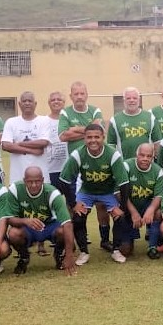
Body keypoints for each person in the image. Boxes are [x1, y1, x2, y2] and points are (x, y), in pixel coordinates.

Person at [58, 123, 128, 266]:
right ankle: (84, 252)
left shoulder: (113, 154)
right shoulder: (78, 154)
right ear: (84, 138)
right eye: (89, 137)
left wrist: (123, 207)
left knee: (120, 217)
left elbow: (124, 184)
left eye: (97, 137)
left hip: (107, 192)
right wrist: (74, 204)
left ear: (103, 137)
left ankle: (116, 250)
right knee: (77, 217)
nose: (93, 140)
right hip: (87, 192)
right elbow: (64, 181)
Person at [58, 81, 110, 250]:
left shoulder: (95, 110)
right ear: (71, 96)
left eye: (82, 93)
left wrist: (76, 129)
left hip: (96, 164)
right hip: (76, 166)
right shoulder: (65, 112)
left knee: (101, 204)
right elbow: (63, 136)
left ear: (87, 94)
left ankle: (104, 240)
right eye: (76, 94)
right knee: (75, 206)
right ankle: (78, 240)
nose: (79, 97)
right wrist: (89, 129)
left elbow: (100, 130)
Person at [3, 166, 77, 275]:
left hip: (50, 226)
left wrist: (69, 255)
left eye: (37, 181)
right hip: (28, 228)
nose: (34, 185)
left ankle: (59, 255)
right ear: (24, 181)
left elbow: (68, 224)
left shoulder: (52, 193)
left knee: (63, 232)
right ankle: (24, 258)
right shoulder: (15, 190)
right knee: (13, 233)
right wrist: (26, 221)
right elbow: (9, 218)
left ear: (42, 180)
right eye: (30, 182)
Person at [120, 143, 163, 260]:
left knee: (158, 212)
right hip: (128, 205)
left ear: (153, 157)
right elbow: (119, 193)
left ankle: (153, 246)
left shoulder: (158, 170)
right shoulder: (126, 166)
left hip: (146, 204)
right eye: (142, 155)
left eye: (149, 156)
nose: (145, 159)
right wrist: (134, 212)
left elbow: (158, 196)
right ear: (136, 155)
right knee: (125, 251)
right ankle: (127, 239)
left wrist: (150, 210)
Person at [1, 91, 51, 184]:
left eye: (30, 101)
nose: (27, 103)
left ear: (35, 104)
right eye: (24, 101)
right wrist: (33, 151)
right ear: (19, 104)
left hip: (41, 178)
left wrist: (19, 144)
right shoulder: (11, 122)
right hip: (18, 177)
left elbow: (43, 142)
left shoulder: (44, 121)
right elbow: (6, 145)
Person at [44, 91, 69, 255]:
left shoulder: (67, 119)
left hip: (67, 168)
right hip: (49, 168)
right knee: (49, 204)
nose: (56, 102)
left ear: (64, 102)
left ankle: (70, 233)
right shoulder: (43, 121)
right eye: (53, 99)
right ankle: (49, 237)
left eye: (59, 99)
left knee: (70, 204)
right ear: (48, 102)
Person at [108, 86, 161, 159]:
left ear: (139, 100)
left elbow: (157, 143)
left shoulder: (150, 117)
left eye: (134, 98)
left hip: (146, 164)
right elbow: (111, 146)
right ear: (124, 100)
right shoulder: (114, 120)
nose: (131, 100)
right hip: (124, 164)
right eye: (128, 98)